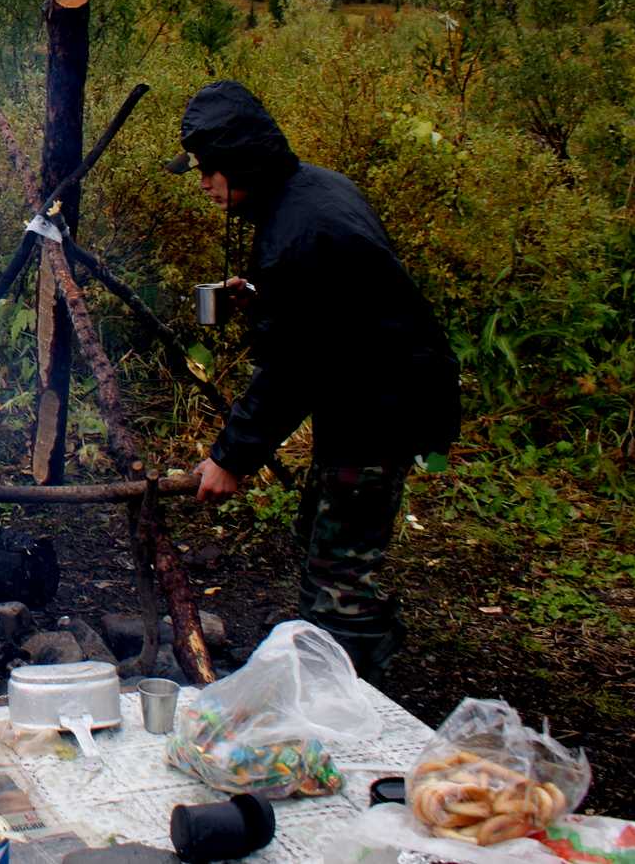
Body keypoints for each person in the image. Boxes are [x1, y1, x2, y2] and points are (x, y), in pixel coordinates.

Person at [168, 79, 458, 684]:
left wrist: (230, 458)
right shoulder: (312, 191)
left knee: (339, 573)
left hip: (380, 404)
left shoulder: (300, 234)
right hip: (374, 387)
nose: (204, 185)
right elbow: (337, 305)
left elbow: (293, 368)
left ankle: (352, 704)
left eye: (209, 171)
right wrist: (263, 294)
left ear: (241, 161)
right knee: (322, 536)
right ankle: (361, 652)